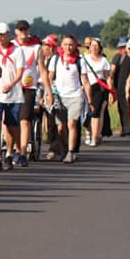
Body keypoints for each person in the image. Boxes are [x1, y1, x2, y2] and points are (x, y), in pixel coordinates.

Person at [44, 35, 91, 163]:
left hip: (75, 96)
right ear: (61, 46)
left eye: (71, 44)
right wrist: (47, 94)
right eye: (65, 44)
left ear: (75, 46)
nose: (68, 47)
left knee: (72, 124)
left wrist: (90, 100)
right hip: (59, 96)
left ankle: (70, 152)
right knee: (60, 127)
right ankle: (64, 148)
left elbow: (85, 81)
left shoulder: (80, 61)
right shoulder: (55, 59)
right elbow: (49, 77)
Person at [0, 22, 26, 171]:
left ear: (8, 35)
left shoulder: (17, 51)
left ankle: (10, 151)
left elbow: (20, 72)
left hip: (13, 93)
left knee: (11, 126)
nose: (0, 37)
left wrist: (11, 84)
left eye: (2, 34)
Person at [12, 20, 40, 164]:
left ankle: (22, 152)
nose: (23, 32)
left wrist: (47, 90)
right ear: (16, 31)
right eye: (20, 29)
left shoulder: (36, 47)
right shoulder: (12, 45)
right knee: (12, 121)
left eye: (25, 29)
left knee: (24, 121)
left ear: (28, 30)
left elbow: (42, 68)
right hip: (13, 87)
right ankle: (14, 149)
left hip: (29, 87)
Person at [82, 38, 113, 147]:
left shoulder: (103, 60)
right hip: (87, 87)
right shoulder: (84, 59)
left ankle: (95, 137)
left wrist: (111, 92)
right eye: (92, 45)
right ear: (89, 47)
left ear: (100, 48)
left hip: (100, 88)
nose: (94, 48)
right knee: (86, 112)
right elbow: (81, 75)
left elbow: (108, 77)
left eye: (96, 46)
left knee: (97, 112)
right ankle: (89, 133)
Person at [111, 38, 130, 136]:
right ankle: (125, 128)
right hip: (120, 86)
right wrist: (112, 86)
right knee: (122, 107)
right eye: (128, 49)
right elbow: (112, 72)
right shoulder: (119, 57)